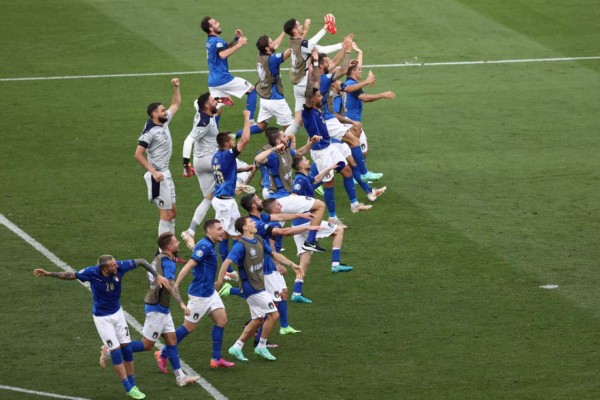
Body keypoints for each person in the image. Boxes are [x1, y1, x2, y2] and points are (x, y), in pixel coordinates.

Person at [33, 257, 169, 400]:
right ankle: (128, 388)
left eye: (115, 263)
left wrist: (157, 275)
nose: (117, 266)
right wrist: (48, 273)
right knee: (116, 353)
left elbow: (141, 261)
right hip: (103, 318)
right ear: (104, 269)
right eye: (113, 265)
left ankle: (133, 385)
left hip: (118, 314)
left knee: (127, 349)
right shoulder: (92, 272)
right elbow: (71, 275)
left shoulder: (120, 267)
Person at [216, 216, 304, 361]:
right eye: (250, 222)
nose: (254, 223)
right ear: (244, 228)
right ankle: (261, 346)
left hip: (259, 285)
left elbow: (273, 254)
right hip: (251, 287)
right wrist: (219, 280)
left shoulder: (258, 239)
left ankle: (236, 347)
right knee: (273, 315)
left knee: (257, 319)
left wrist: (291, 264)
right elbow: (226, 262)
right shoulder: (240, 245)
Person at [155, 219, 236, 371]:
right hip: (200, 295)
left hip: (210, 292)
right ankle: (163, 353)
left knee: (222, 320)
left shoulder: (209, 244)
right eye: (219, 229)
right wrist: (177, 284)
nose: (222, 231)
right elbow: (190, 264)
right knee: (188, 327)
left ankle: (216, 359)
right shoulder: (205, 246)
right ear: (209, 231)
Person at [302, 48, 372, 215]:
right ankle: (331, 215)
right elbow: (330, 74)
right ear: (312, 100)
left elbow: (325, 76)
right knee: (328, 183)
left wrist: (317, 63)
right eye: (319, 96)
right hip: (321, 151)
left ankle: (354, 204)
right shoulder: (309, 108)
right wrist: (346, 50)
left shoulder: (319, 102)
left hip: (329, 145)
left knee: (347, 170)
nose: (322, 98)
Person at [124, 232, 199, 387]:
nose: (179, 243)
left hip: (160, 307)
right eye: (176, 242)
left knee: (172, 340)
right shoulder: (167, 263)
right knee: (146, 345)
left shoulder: (157, 258)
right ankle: (113, 351)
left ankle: (180, 377)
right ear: (170, 247)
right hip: (157, 308)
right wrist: (182, 304)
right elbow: (170, 285)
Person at [239, 194, 318, 334]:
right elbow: (282, 231)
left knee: (281, 294)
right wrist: (307, 228)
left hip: (267, 260)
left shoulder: (260, 217)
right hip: (262, 264)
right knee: (271, 302)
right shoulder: (256, 224)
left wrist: (300, 215)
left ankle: (280, 327)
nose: (261, 201)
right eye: (258, 199)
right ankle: (256, 335)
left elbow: (280, 217)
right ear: (253, 206)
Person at [255, 127, 327, 252]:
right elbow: (257, 159)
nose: (287, 137)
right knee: (320, 205)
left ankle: (266, 247)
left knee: (276, 225)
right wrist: (273, 149)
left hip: (281, 196)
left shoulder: (287, 151)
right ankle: (310, 242)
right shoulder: (272, 156)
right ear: (278, 141)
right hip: (281, 197)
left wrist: (311, 143)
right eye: (284, 136)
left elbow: (299, 153)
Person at [134, 78, 181, 239]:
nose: (165, 112)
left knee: (172, 212)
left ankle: (171, 245)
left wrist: (176, 88)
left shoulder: (164, 121)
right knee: (166, 214)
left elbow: (175, 104)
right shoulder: (149, 132)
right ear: (154, 114)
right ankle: (163, 252)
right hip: (158, 177)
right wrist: (153, 172)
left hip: (166, 173)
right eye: (162, 111)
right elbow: (138, 154)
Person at [283, 15, 344, 135]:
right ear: (295, 30)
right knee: (319, 111)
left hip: (297, 86)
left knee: (297, 122)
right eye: (299, 25)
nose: (301, 26)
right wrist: (342, 45)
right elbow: (321, 49)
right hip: (306, 85)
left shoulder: (293, 42)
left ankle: (283, 141)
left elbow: (308, 43)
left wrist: (324, 29)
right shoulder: (302, 44)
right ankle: (321, 139)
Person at [179, 93, 224, 249]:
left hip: (199, 163)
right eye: (213, 101)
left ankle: (190, 231)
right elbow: (188, 140)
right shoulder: (204, 122)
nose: (215, 103)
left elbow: (195, 101)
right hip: (211, 160)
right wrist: (185, 164)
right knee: (242, 170)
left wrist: (220, 101)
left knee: (208, 199)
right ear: (206, 106)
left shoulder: (200, 110)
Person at [342, 42, 396, 158]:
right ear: (353, 72)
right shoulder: (353, 85)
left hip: (351, 120)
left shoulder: (350, 82)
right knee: (358, 151)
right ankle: (354, 173)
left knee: (362, 151)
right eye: (359, 70)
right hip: (351, 122)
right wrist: (383, 95)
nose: (361, 71)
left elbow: (357, 67)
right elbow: (365, 98)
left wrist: (360, 52)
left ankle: (358, 172)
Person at [211, 110, 252, 262]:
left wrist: (242, 169)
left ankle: (230, 265)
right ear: (227, 144)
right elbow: (245, 139)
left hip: (224, 199)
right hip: (225, 202)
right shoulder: (227, 155)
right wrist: (247, 118)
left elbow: (225, 170)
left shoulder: (217, 155)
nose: (234, 141)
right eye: (232, 140)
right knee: (230, 234)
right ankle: (230, 266)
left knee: (232, 233)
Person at [201, 16, 257, 123]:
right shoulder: (217, 41)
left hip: (213, 82)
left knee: (217, 110)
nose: (219, 23)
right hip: (223, 79)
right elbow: (222, 54)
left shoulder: (210, 41)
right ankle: (250, 120)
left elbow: (224, 48)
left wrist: (236, 39)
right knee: (252, 90)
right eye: (215, 23)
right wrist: (239, 45)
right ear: (211, 28)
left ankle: (213, 133)